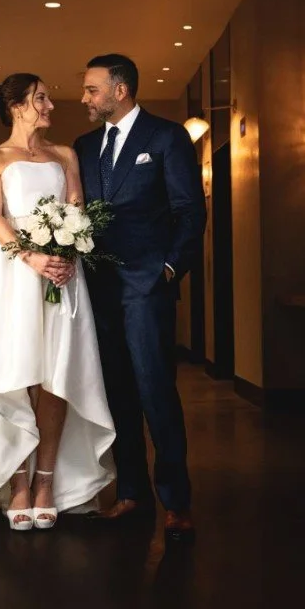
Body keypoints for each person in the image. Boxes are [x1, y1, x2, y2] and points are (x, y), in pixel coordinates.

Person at [0, 74, 116, 529]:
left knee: (57, 375)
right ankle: (17, 484)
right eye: (42, 98)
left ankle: (46, 482)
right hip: (14, 275)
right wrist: (32, 256)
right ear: (18, 105)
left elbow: (76, 208)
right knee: (16, 372)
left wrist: (66, 251)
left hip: (62, 275)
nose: (51, 105)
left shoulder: (65, 155)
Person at [77, 54, 207, 542]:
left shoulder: (167, 137)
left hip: (147, 287)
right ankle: (131, 493)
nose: (85, 98)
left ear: (121, 90)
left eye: (92, 89)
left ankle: (177, 502)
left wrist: (170, 270)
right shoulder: (84, 146)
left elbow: (189, 211)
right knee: (116, 396)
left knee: (157, 391)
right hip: (98, 290)